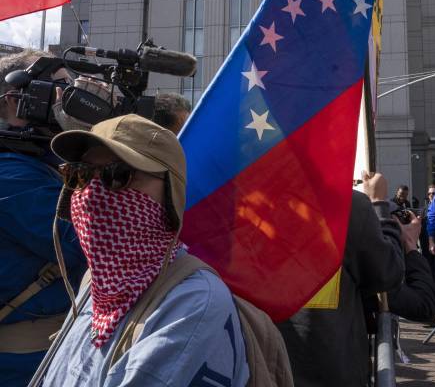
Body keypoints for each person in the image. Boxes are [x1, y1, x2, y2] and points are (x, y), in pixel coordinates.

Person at [38, 114, 280, 386]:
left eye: (118, 175)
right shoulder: (95, 284)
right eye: (80, 175)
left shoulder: (192, 304)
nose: (92, 194)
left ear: (170, 195)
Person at [0, 50, 87, 387]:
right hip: (23, 361)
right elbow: (86, 242)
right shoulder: (11, 174)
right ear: (16, 100)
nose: (71, 101)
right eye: (61, 89)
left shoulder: (37, 166)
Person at [278, 171, 404, 386]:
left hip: (262, 368)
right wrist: (379, 206)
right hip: (331, 368)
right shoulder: (348, 206)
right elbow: (387, 273)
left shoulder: (238, 203)